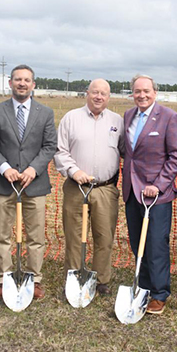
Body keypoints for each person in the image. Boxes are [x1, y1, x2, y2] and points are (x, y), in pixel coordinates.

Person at [0, 65, 57, 300]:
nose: (22, 83)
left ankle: (33, 280)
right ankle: (3, 279)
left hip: (34, 184)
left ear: (33, 84)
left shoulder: (45, 113)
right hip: (4, 183)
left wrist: (33, 170)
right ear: (10, 83)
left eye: (26, 80)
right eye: (18, 79)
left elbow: (49, 146)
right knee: (2, 234)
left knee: (35, 236)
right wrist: (5, 168)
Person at [122, 74, 177, 315]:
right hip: (131, 190)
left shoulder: (169, 117)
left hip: (156, 194)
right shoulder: (129, 116)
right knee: (138, 242)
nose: (142, 95)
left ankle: (159, 293)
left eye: (146, 91)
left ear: (155, 93)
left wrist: (158, 185)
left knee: (156, 244)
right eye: (137, 91)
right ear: (132, 94)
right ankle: (144, 287)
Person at [54, 79, 123, 296]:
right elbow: (60, 151)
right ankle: (74, 276)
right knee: (75, 235)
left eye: (103, 93)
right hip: (76, 188)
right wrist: (75, 171)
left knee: (104, 236)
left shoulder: (117, 121)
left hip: (105, 189)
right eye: (95, 92)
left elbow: (126, 152)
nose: (99, 97)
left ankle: (101, 279)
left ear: (108, 97)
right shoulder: (71, 118)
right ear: (87, 93)